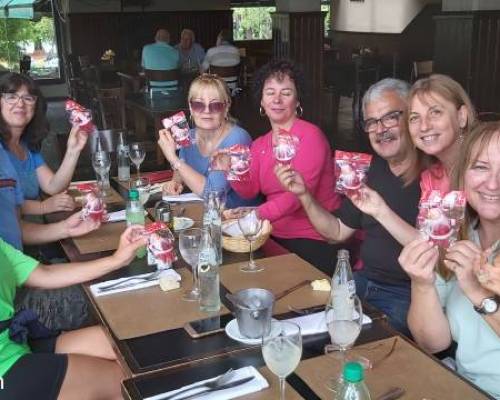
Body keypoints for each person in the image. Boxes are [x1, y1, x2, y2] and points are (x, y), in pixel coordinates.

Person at [276, 78, 421, 334]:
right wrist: (304, 195)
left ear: (412, 116)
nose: (380, 129)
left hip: (406, 292)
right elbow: (337, 233)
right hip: (362, 282)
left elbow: (436, 255)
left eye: (390, 117)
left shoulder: (433, 178)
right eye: (372, 122)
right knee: (297, 324)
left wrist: (381, 210)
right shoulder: (369, 170)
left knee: (366, 341)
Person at [399, 121, 500, 399]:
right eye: (481, 167)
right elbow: (433, 343)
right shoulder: (458, 238)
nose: (493, 183)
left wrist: (478, 293)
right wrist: (421, 283)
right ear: (463, 175)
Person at [222, 59, 341, 273]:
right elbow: (250, 191)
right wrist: (231, 169)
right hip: (271, 234)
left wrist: (253, 217)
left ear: (297, 101)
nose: (277, 99)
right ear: (262, 101)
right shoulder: (260, 144)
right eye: (270, 93)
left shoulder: (310, 136)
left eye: (286, 93)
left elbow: (294, 198)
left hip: (312, 238)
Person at [0, 226, 146, 399]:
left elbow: (44, 274)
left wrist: (117, 260)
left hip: (15, 342)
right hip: (5, 367)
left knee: (131, 345)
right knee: (126, 384)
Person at [158, 73, 258, 209]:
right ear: (191, 107)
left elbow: (214, 193)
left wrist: (172, 158)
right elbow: (180, 171)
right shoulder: (188, 135)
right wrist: (175, 183)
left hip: (237, 219)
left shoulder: (238, 139)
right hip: (205, 214)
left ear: (226, 107)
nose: (206, 111)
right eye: (198, 104)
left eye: (215, 105)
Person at [0, 72, 86, 216]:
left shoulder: (26, 146)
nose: (20, 104)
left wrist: (73, 150)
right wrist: (43, 207)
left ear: (36, 106)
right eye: (11, 97)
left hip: (34, 228)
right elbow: (5, 203)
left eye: (28, 98)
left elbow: (52, 186)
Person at [408, 74, 476, 193]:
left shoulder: (489, 165)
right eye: (415, 118)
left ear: (461, 116)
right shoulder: (430, 178)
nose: (424, 127)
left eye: (435, 112)